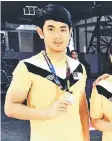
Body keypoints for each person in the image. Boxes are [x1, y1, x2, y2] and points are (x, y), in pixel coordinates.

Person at [4, 4, 89, 141]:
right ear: (40, 32)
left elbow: (83, 112)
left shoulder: (78, 68)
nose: (57, 35)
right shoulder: (28, 67)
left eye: (63, 29)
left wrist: (86, 138)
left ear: (70, 32)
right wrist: (47, 113)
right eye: (51, 29)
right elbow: (10, 108)